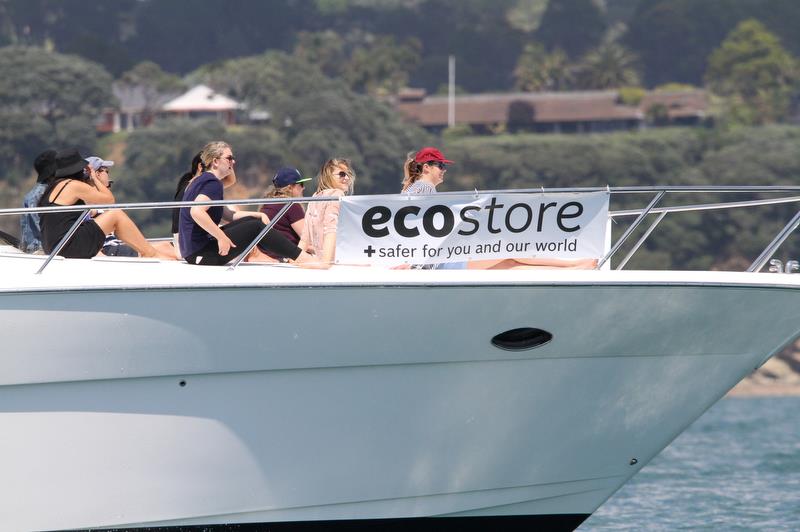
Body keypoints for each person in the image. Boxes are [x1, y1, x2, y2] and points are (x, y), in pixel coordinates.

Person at [178, 141, 313, 266]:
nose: (233, 161)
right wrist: (222, 238)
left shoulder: (202, 180)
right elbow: (196, 212)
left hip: (192, 251)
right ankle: (301, 257)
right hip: (202, 252)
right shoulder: (212, 184)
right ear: (215, 161)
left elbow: (228, 214)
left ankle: (285, 256)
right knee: (255, 228)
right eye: (229, 158)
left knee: (251, 221)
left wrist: (256, 214)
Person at [39, 148, 175, 260]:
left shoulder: (53, 188)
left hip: (52, 246)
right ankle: (149, 254)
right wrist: (94, 177)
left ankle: (148, 252)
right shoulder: (73, 185)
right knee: (116, 214)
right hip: (70, 246)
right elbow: (109, 200)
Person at [298, 158, 355, 269]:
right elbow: (331, 230)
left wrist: (294, 257)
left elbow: (305, 238)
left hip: (320, 259)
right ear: (329, 176)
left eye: (348, 174)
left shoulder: (316, 196)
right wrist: (325, 263)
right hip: (335, 263)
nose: (347, 178)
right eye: (342, 174)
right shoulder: (337, 195)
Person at [247, 167, 310, 262]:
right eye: (300, 184)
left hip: (267, 255)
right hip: (284, 258)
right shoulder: (292, 206)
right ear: (290, 187)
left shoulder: (266, 204)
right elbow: (307, 238)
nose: (303, 187)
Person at [20, 149, 57, 253]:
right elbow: (42, 227)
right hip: (39, 249)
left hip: (37, 247)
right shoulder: (40, 194)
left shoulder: (38, 193)